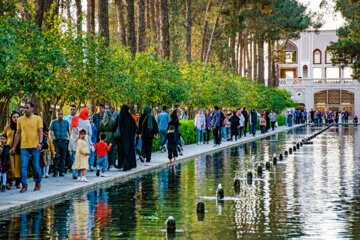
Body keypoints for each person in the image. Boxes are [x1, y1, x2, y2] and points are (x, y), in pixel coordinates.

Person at [10, 102, 43, 193]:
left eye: (27, 108)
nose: (25, 110)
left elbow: (40, 131)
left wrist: (40, 143)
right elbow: (18, 133)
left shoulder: (38, 118)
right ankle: (24, 185)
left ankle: (38, 182)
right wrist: (14, 147)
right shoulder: (20, 119)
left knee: (36, 166)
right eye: (24, 108)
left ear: (32, 109)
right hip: (24, 146)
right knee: (23, 166)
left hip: (35, 146)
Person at [69, 108, 92, 179]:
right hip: (84, 142)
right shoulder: (87, 122)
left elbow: (70, 130)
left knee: (75, 157)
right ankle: (83, 174)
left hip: (74, 142)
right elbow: (90, 133)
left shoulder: (75, 118)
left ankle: (75, 173)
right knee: (84, 158)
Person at [114, 105, 137, 171]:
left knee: (121, 151)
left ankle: (121, 164)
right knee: (128, 151)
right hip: (129, 139)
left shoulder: (119, 117)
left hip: (121, 138)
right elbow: (134, 127)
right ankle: (128, 164)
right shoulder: (130, 117)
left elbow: (115, 126)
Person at [3, 111, 21, 189]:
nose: (16, 118)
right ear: (11, 118)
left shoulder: (21, 126)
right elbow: (4, 136)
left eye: (17, 117)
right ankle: (9, 182)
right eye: (14, 117)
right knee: (9, 165)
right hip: (9, 149)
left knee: (18, 165)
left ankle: (18, 182)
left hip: (19, 148)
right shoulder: (7, 127)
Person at [49, 110, 70, 177]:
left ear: (62, 115)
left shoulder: (66, 122)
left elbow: (69, 131)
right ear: (56, 115)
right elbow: (50, 131)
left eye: (61, 114)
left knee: (63, 157)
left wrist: (69, 139)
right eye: (58, 114)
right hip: (56, 141)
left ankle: (62, 171)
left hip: (64, 141)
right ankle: (55, 171)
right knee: (55, 156)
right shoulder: (54, 122)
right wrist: (51, 139)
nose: (59, 116)